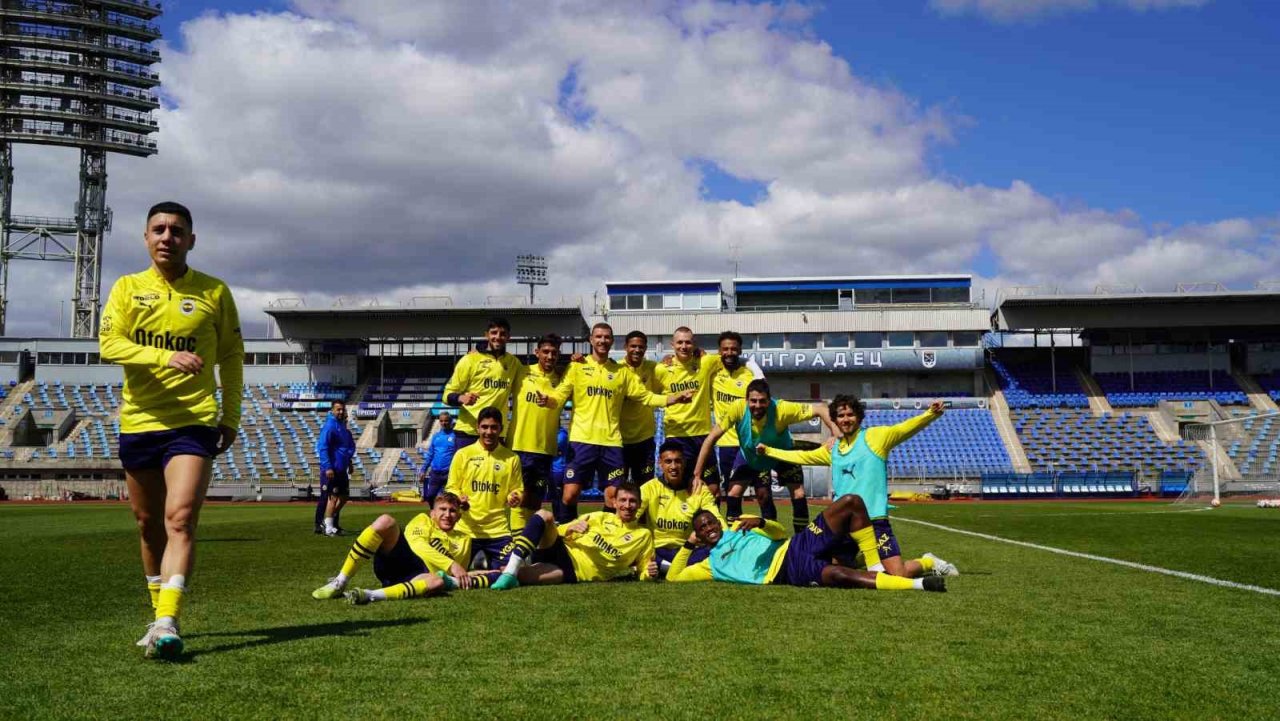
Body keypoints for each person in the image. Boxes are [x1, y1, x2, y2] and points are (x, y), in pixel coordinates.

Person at [99, 201, 243, 660]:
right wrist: (165, 356)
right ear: (145, 238)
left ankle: (168, 620)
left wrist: (231, 416)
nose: (167, 237)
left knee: (179, 519)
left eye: (177, 231)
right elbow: (109, 344)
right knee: (147, 526)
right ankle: (155, 611)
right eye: (158, 230)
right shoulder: (126, 288)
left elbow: (231, 359)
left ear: (191, 240)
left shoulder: (214, 293)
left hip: (193, 420)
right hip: (139, 420)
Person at [757, 395, 959, 579]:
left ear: (859, 417)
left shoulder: (875, 438)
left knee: (899, 575)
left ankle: (929, 561)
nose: (846, 419)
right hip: (844, 524)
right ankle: (863, 559)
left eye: (850, 415)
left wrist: (931, 414)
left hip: (874, 521)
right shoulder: (833, 449)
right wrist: (769, 452)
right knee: (830, 565)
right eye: (841, 415)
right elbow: (801, 456)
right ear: (834, 421)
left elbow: (905, 428)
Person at [537, 322, 693, 522]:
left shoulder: (622, 372)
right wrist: (548, 401)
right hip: (582, 440)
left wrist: (674, 398)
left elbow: (646, 396)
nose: (602, 340)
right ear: (591, 340)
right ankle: (567, 540)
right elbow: (559, 396)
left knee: (612, 498)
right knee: (570, 494)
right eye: (599, 337)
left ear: (612, 342)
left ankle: (608, 538)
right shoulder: (577, 367)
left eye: (607, 337)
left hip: (612, 444)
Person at [666, 495, 945, 592]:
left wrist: (762, 522)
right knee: (839, 574)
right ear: (700, 536)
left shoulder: (740, 528)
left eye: (710, 523)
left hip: (795, 545)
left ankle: (874, 563)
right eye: (702, 528)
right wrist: (689, 546)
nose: (708, 528)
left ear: (717, 523)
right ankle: (919, 583)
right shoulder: (709, 565)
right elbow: (674, 577)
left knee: (851, 503)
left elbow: (778, 534)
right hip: (788, 572)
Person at [693, 379, 838, 533]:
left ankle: (800, 541)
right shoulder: (737, 408)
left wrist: (835, 436)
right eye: (753, 401)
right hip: (751, 456)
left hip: (782, 454)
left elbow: (822, 409)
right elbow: (711, 439)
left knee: (798, 492)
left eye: (762, 401)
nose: (757, 405)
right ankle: (733, 541)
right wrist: (697, 474)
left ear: (769, 401)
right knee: (733, 493)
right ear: (746, 400)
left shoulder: (782, 409)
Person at [482, 482, 656, 589]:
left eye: (632, 501)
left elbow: (644, 569)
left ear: (639, 504)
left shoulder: (643, 535)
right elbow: (559, 530)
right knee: (544, 514)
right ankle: (513, 567)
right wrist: (570, 528)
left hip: (572, 571)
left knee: (516, 576)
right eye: (623, 500)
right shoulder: (599, 517)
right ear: (615, 502)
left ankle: (457, 581)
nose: (627, 505)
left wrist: (649, 574)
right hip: (559, 547)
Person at [311, 492, 477, 604]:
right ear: (432, 512)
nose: (447, 514)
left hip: (420, 576)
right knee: (386, 521)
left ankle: (368, 595)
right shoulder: (422, 520)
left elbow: (458, 575)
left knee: (437, 582)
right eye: (443, 509)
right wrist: (451, 564)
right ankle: (340, 582)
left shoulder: (464, 539)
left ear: (459, 516)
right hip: (402, 559)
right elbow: (418, 545)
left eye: (453, 511)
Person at [444, 406, 523, 569]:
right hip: (466, 530)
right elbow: (451, 487)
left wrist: (514, 497)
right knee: (451, 570)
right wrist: (458, 498)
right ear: (477, 428)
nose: (489, 432)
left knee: (511, 571)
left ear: (501, 429)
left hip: (498, 531)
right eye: (485, 427)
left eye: (494, 427)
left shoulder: (512, 458)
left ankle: (482, 561)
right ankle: (481, 560)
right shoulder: (463, 454)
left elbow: (517, 489)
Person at [638, 440, 724, 577]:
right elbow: (630, 517)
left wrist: (731, 538)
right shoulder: (649, 488)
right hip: (658, 550)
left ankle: (667, 569)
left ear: (684, 462)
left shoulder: (698, 488)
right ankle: (679, 569)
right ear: (660, 464)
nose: (673, 466)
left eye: (677, 461)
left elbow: (716, 518)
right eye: (668, 462)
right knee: (639, 547)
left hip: (688, 551)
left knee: (714, 547)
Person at [507, 334, 565, 529]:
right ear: (536, 352)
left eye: (554, 353)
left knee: (535, 500)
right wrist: (479, 351)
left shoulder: (562, 379)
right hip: (519, 445)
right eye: (546, 352)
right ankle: (515, 546)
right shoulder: (521, 372)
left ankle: (526, 546)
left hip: (545, 449)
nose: (550, 356)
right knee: (517, 497)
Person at [654, 327, 723, 488]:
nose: (683, 346)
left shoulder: (705, 362)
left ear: (694, 344)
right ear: (672, 344)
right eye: (679, 342)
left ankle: (711, 515)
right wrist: (670, 399)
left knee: (713, 488)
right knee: (680, 487)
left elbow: (728, 356)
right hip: (676, 435)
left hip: (703, 436)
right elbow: (648, 397)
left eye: (687, 342)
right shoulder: (661, 369)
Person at [442, 318, 523, 449]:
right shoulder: (469, 360)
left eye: (502, 333)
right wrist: (461, 398)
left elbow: (534, 373)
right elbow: (446, 395)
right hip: (468, 431)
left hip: (496, 433)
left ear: (508, 337)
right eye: (494, 332)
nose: (498, 337)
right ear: (486, 335)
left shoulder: (514, 363)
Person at [708, 331, 763, 502]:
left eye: (733, 349)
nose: (729, 353)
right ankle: (732, 527)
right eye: (725, 349)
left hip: (751, 443)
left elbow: (764, 394)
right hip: (726, 446)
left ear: (740, 350)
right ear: (719, 351)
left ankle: (769, 528)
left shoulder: (749, 373)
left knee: (763, 493)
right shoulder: (713, 374)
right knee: (731, 494)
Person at [618, 331, 662, 485]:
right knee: (616, 489)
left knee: (644, 488)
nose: (637, 350)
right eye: (633, 346)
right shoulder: (616, 369)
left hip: (644, 440)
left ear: (646, 348)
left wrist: (671, 360)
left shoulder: (653, 368)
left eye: (640, 347)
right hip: (619, 440)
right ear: (625, 347)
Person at [315, 400, 355, 536]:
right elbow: (323, 447)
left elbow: (345, 449)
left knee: (343, 497)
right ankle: (323, 525)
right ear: (332, 410)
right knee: (329, 498)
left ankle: (328, 522)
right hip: (332, 468)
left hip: (341, 469)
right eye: (338, 409)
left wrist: (349, 462)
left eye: (342, 409)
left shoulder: (342, 428)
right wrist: (328, 467)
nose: (341, 412)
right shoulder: (330, 426)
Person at [416, 410, 457, 505]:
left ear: (450, 421)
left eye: (446, 421)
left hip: (448, 473)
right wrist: (423, 470)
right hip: (435, 473)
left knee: (447, 499)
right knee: (430, 496)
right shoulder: (436, 436)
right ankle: (434, 514)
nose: (444, 423)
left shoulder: (455, 436)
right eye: (441, 421)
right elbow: (430, 454)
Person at [549, 426, 570, 519]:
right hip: (551, 469)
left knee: (559, 496)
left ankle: (562, 517)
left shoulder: (562, 434)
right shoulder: (551, 432)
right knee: (554, 497)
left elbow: (555, 445)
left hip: (559, 470)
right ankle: (557, 517)